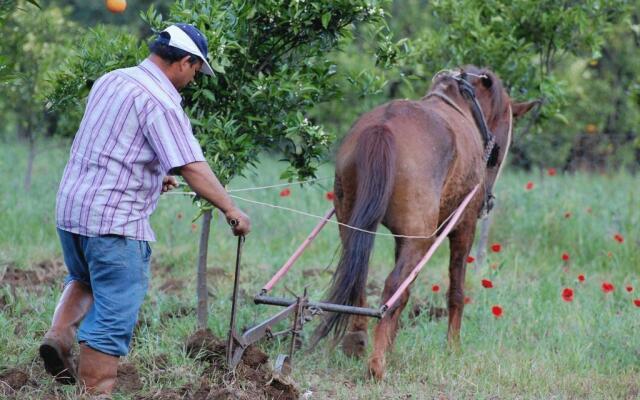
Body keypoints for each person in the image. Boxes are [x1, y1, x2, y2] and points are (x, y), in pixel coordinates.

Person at [39, 23, 251, 396]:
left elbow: (115, 145)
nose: (194, 79)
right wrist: (231, 210)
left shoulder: (112, 79)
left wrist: (154, 176)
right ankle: (96, 392)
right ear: (184, 62)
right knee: (112, 316)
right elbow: (192, 167)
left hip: (72, 212)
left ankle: (58, 337)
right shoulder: (161, 101)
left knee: (85, 278)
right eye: (196, 71)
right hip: (115, 224)